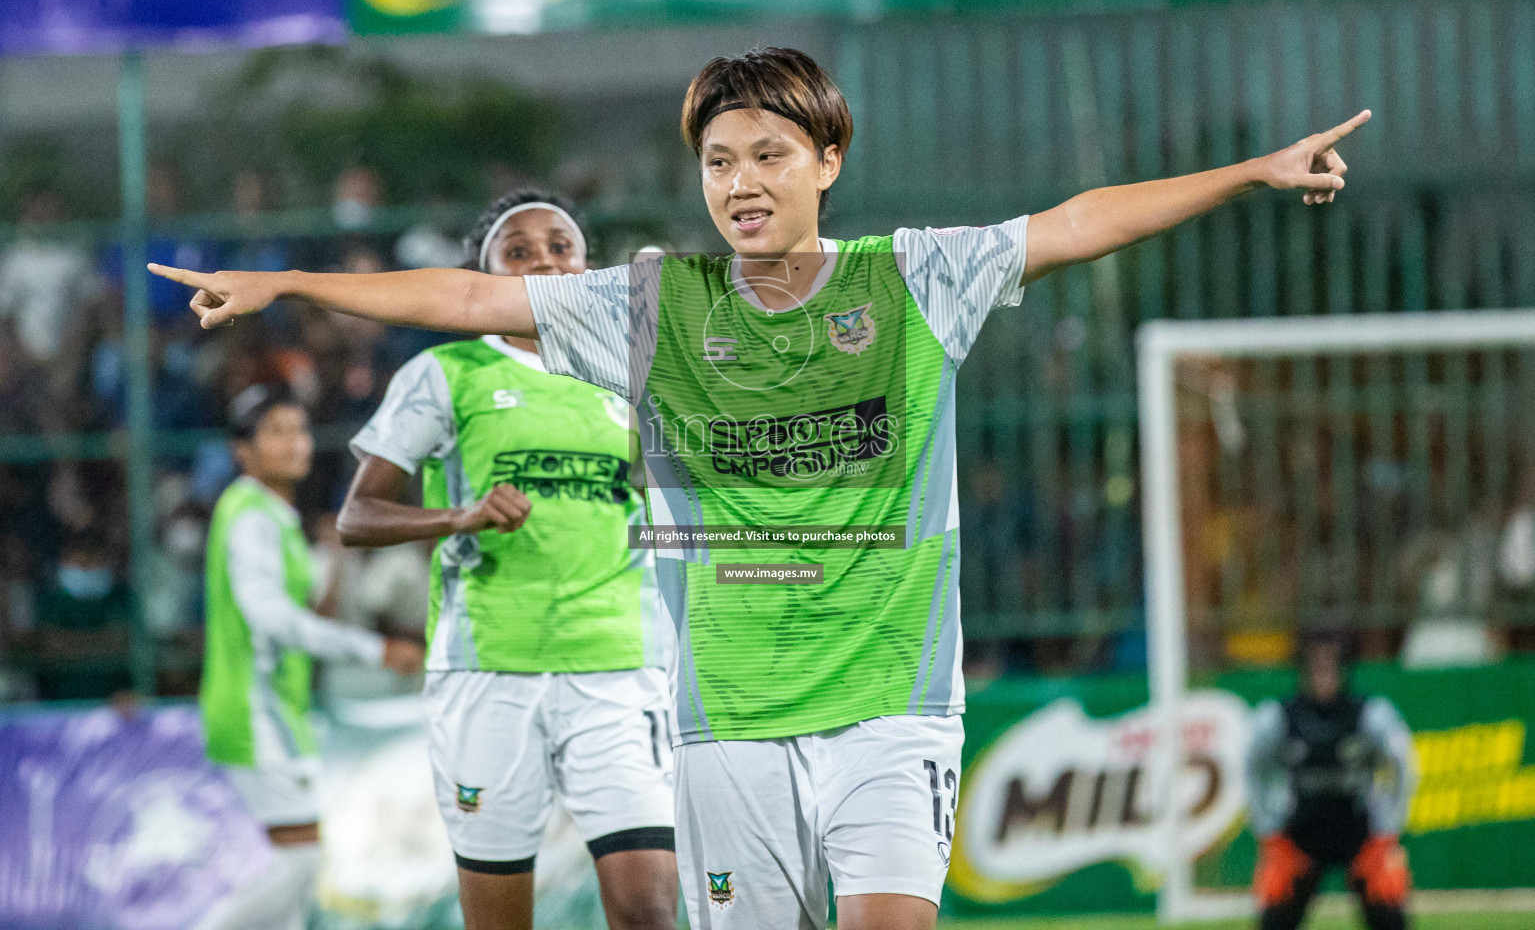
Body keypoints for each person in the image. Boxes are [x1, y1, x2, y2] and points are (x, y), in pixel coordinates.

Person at [152, 47, 1369, 930]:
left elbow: (1071, 223)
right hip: (724, 711)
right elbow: (471, 301)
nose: (740, 180)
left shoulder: (914, 282)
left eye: (769, 155)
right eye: (718, 160)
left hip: (891, 702)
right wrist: (289, 281)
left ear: (826, 160)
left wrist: (1249, 171)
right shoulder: (650, 303)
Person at [336, 188, 678, 930]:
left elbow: (678, 495)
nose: (544, 260)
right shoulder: (446, 372)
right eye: (517, 251)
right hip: (489, 671)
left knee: (649, 908)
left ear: (586, 267)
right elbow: (356, 518)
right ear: (483, 276)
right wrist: (460, 514)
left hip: (618, 665)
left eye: (561, 246)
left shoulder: (633, 369)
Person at [195, 384, 424, 930]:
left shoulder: (274, 515)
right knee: (302, 864)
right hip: (256, 710)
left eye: (298, 429)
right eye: (275, 431)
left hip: (276, 706)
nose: (295, 441)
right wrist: (374, 650)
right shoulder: (250, 515)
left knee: (291, 888)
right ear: (241, 449)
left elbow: (307, 606)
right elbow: (272, 619)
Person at [1246, 632, 1416, 930]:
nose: (1323, 676)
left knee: (1391, 917)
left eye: (1330, 667)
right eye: (1316, 668)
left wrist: (1387, 832)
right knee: (1273, 920)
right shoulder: (1279, 717)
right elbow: (1252, 766)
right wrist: (1269, 833)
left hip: (1358, 834)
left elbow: (1404, 765)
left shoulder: (1371, 715)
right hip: (1302, 835)